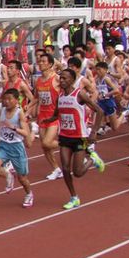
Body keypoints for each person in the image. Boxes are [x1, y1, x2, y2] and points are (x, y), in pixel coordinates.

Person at [49, 68, 105, 210]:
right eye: (60, 78)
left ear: (72, 80)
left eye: (65, 78)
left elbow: (99, 111)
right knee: (66, 168)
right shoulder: (60, 97)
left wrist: (93, 132)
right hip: (65, 137)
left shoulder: (79, 95)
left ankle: (93, 159)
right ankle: (74, 197)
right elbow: (56, 114)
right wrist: (47, 120)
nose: (61, 80)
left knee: (78, 172)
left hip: (81, 137)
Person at [0, 88, 35, 208]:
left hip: (16, 148)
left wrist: (13, 128)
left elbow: (25, 133)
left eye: (10, 99)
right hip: (3, 146)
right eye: (5, 99)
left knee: (22, 178)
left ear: (16, 100)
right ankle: (8, 176)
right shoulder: (2, 110)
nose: (6, 101)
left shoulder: (19, 113)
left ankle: (29, 194)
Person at [32, 52, 63, 180]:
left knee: (47, 142)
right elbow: (35, 98)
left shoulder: (56, 78)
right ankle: (56, 169)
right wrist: (27, 110)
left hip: (55, 116)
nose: (41, 63)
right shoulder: (38, 80)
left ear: (50, 64)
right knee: (44, 146)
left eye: (44, 61)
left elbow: (67, 89)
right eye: (39, 61)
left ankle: (70, 143)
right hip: (42, 116)